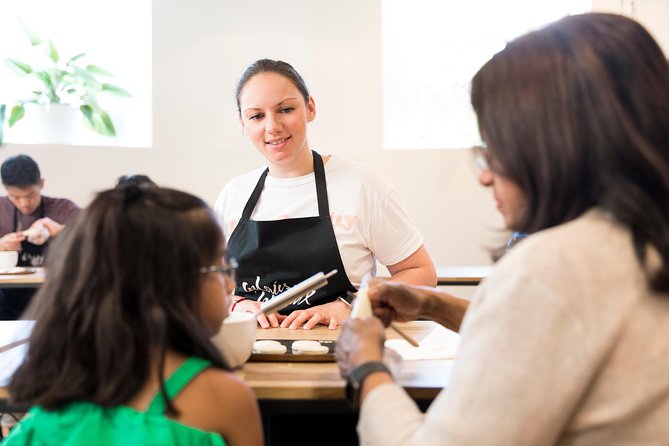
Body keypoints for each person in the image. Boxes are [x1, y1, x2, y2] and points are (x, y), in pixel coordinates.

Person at [336, 13, 669, 445]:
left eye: (495, 148)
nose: (485, 175)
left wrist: (367, 368)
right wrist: (434, 306)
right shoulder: (639, 240)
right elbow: (554, 335)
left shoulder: (551, 266)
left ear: (553, 147)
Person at [3, 186, 263, 445]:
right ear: (170, 284)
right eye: (221, 265)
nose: (230, 284)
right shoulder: (223, 398)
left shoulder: (52, 392)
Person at [215, 59, 437, 330]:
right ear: (243, 124)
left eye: (285, 109)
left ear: (310, 108)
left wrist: (353, 306)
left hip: (343, 352)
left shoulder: (362, 184)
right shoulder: (233, 195)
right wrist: (234, 303)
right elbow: (205, 285)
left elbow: (421, 274)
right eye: (256, 116)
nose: (272, 126)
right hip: (250, 355)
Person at [0, 154, 79, 319]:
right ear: (6, 190)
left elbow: (97, 239)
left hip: (55, 298)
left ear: (41, 184)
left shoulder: (64, 208)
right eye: (15, 197)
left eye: (30, 195)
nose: (24, 204)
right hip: (7, 300)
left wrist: (61, 231)